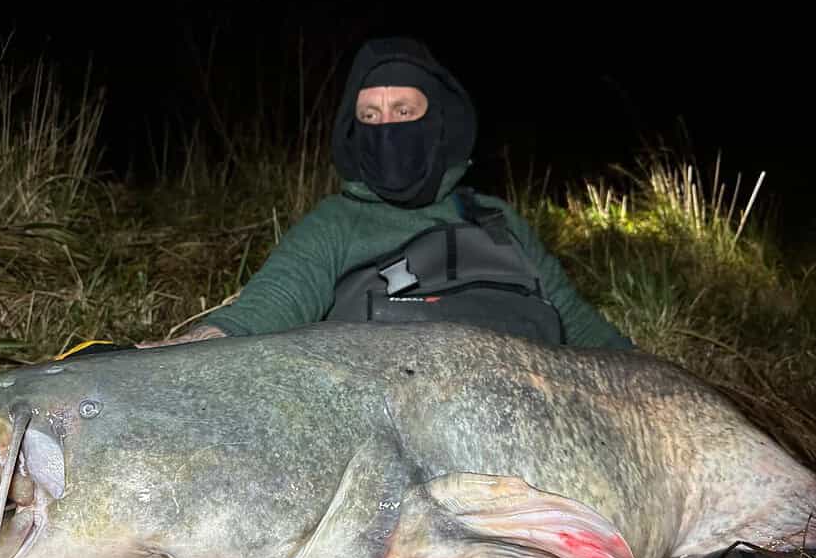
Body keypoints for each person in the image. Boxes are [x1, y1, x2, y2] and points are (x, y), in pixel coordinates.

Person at [137, 37, 633, 351]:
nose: (386, 128)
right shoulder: (336, 223)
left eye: (403, 111)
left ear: (439, 123)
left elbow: (580, 328)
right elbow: (265, 308)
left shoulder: (497, 220)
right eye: (370, 117)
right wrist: (179, 354)